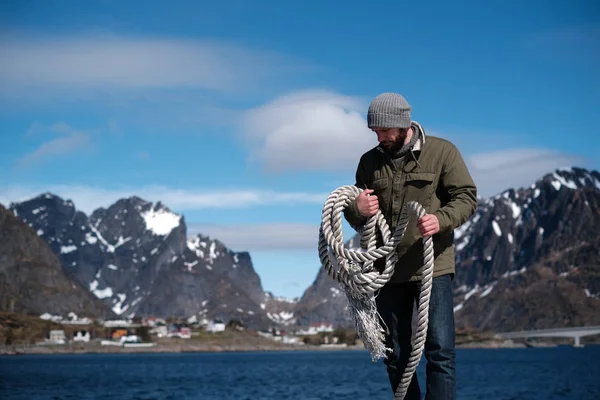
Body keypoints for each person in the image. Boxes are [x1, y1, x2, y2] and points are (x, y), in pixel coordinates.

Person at [343, 92, 477, 400]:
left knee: (440, 351)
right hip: (388, 270)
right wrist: (356, 210)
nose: (380, 137)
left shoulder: (443, 153)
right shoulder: (369, 163)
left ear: (403, 125)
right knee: (396, 353)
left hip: (433, 268)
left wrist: (440, 219)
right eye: (374, 131)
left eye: (384, 130)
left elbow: (467, 198)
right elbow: (357, 217)